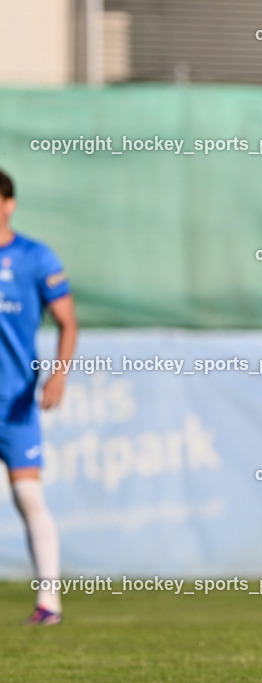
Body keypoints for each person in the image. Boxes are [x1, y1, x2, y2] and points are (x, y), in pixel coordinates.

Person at [0, 169, 77, 625]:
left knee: (28, 495)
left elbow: (68, 321)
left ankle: (49, 602)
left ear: (8, 204)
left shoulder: (35, 257)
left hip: (15, 401)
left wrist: (58, 375)